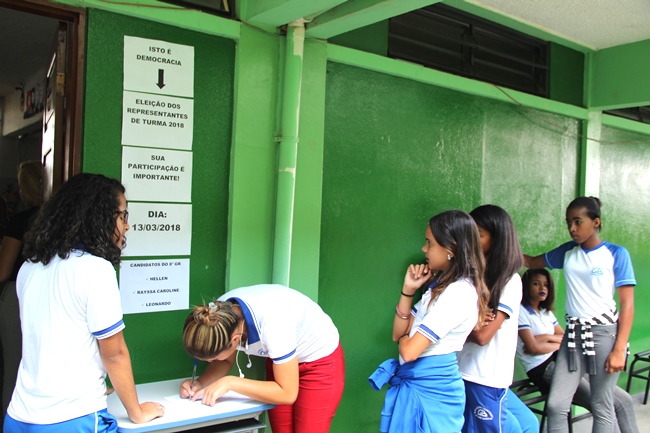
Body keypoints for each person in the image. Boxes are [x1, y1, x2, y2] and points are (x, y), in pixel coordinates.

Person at [4, 173, 164, 432]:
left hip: (19, 417)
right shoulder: (95, 270)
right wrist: (136, 411)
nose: (126, 226)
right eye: (123, 215)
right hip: (72, 420)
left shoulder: (29, 268)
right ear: (99, 216)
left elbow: (54, 341)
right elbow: (114, 353)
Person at [369, 210, 489, 433]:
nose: (424, 249)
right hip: (420, 382)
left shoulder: (459, 293)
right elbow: (398, 334)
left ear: (450, 248)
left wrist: (406, 338)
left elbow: (409, 351)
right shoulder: (440, 286)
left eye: (430, 243)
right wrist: (408, 290)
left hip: (431, 389)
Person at [524, 196, 636, 433]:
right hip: (573, 337)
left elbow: (627, 305)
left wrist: (619, 349)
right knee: (556, 405)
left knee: (601, 405)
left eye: (578, 222)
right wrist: (504, 246)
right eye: (568, 223)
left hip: (604, 335)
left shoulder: (616, 254)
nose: (572, 229)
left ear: (596, 222)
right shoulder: (567, 252)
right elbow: (533, 262)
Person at [180, 284, 345, 433]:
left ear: (235, 341)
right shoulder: (217, 316)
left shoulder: (273, 323)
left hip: (320, 362)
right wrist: (201, 383)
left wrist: (230, 383)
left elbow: (287, 393)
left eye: (212, 358)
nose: (210, 363)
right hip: (280, 362)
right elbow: (224, 360)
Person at [517, 268, 638, 433]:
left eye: (545, 285)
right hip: (544, 368)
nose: (542, 288)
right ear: (525, 287)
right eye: (536, 284)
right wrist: (555, 341)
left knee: (624, 400)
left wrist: (546, 338)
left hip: (568, 359)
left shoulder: (545, 312)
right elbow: (533, 348)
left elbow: (566, 337)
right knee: (604, 406)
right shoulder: (520, 312)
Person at [458, 204, 538, 433]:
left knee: (528, 424)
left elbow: (483, 335)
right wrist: (469, 326)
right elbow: (478, 332)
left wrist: (463, 329)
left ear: (498, 238)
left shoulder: (509, 281)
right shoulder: (470, 276)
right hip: (469, 372)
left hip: (488, 376)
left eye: (479, 235)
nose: (472, 242)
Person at [0, 161, 43, 428]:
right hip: (48, 300)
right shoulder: (59, 220)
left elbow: (3, 270)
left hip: (17, 297)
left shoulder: (20, 221)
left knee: (15, 369)